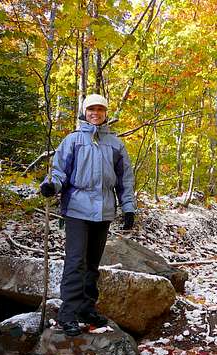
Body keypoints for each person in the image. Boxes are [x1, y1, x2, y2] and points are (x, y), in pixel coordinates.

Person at [40, 94, 136, 336]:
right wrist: (51, 185)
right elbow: (59, 170)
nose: (96, 113)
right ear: (85, 112)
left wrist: (128, 208)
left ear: (105, 114)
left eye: (100, 109)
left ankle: (86, 309)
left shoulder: (115, 144)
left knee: (92, 263)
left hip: (103, 211)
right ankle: (67, 314)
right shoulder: (73, 140)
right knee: (76, 262)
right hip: (76, 209)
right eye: (91, 109)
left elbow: (125, 179)